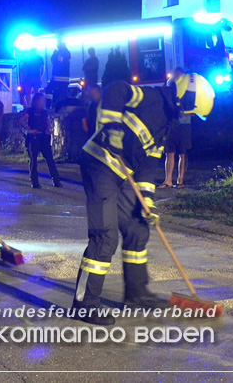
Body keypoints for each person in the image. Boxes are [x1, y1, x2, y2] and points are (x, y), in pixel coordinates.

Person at [72, 55, 179, 325]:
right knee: (104, 236)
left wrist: (148, 203)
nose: (187, 117)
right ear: (184, 98)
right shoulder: (150, 97)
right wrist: (111, 128)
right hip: (98, 165)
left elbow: (147, 170)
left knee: (137, 227)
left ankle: (136, 293)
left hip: (121, 175)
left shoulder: (164, 129)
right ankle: (84, 304)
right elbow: (115, 90)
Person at [19, 93, 61, 189]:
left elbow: (47, 122)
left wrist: (48, 129)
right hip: (34, 138)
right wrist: (29, 130)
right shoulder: (30, 111)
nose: (43, 102)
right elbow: (21, 121)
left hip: (44, 138)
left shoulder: (44, 112)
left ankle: (56, 181)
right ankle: (34, 182)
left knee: (50, 160)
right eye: (41, 100)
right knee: (34, 160)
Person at [162, 67, 190, 188]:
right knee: (169, 152)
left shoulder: (188, 88)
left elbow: (194, 105)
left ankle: (180, 180)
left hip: (183, 123)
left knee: (182, 153)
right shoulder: (170, 86)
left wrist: (188, 113)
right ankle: (168, 180)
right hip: (171, 123)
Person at [48, 42, 71, 108]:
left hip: (58, 77)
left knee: (50, 90)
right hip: (65, 78)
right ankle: (64, 105)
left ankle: (49, 105)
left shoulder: (59, 53)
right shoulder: (67, 52)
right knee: (63, 92)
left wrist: (54, 54)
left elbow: (54, 61)